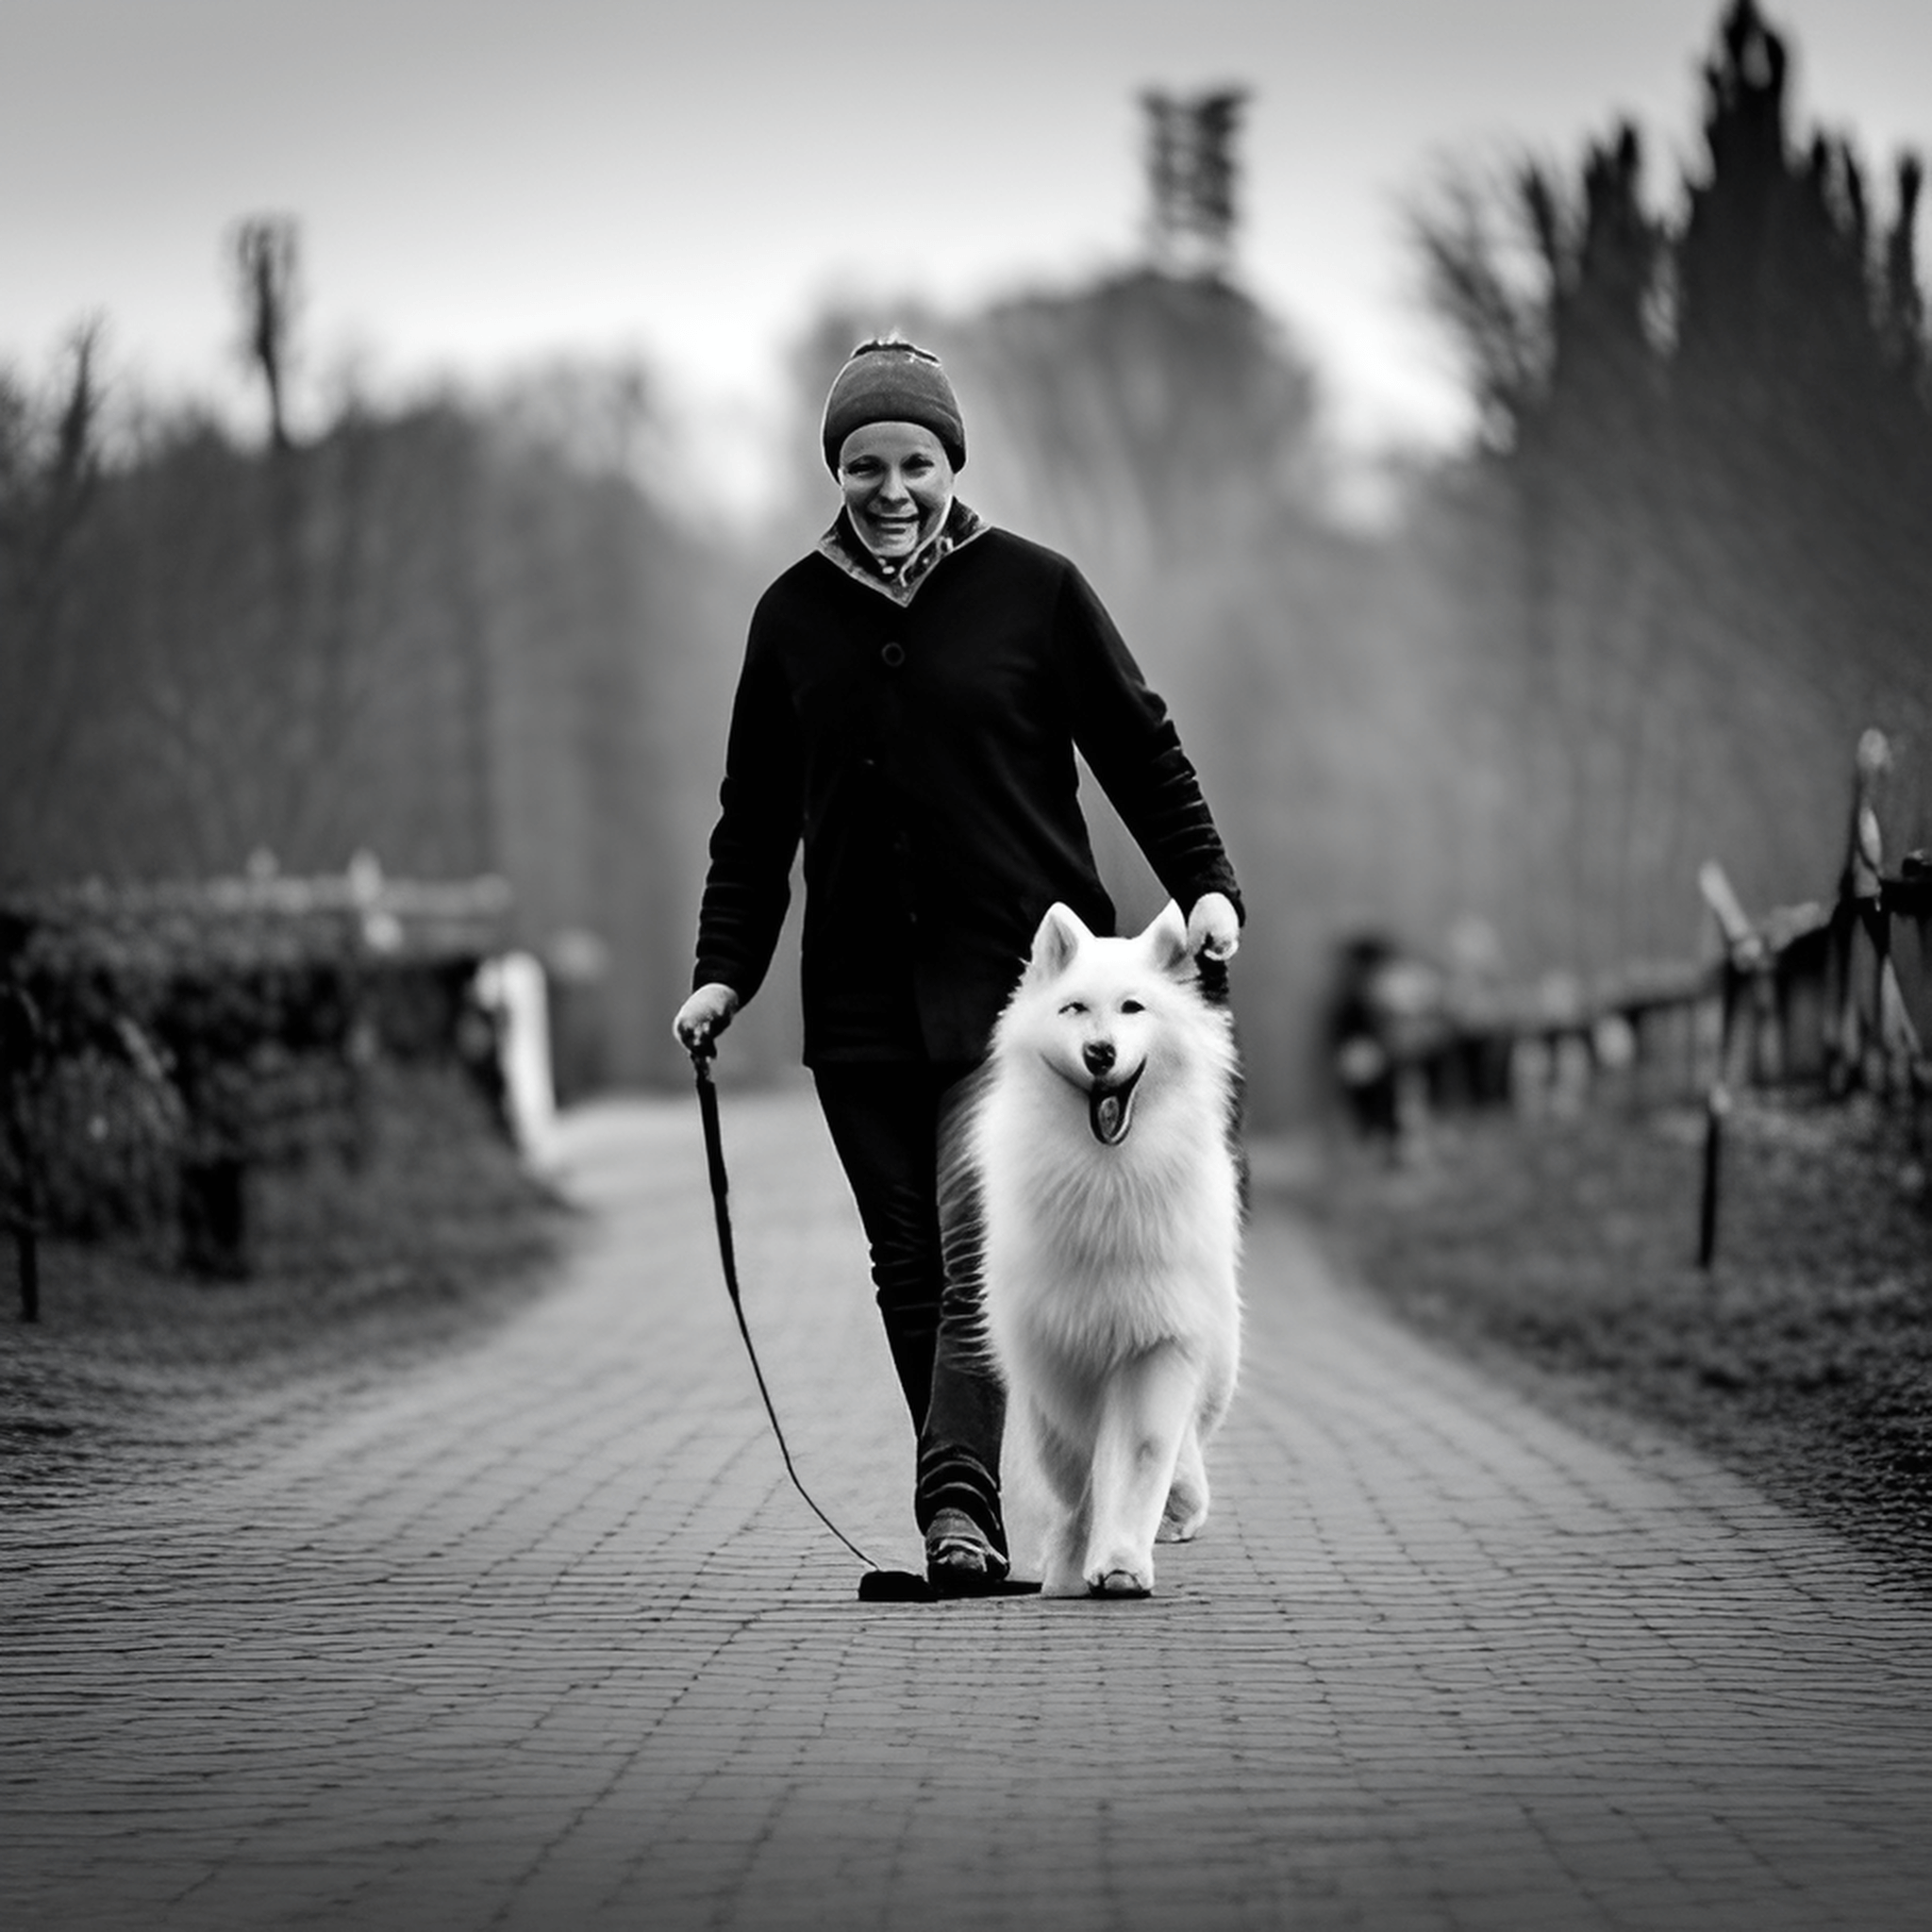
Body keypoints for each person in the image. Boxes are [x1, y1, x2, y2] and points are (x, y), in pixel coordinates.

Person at [675, 337, 1242, 1592]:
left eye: (915, 462)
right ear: (837, 469)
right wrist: (723, 972)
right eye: (866, 463)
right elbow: (753, 820)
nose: (891, 488)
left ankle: (953, 1510)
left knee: (981, 1244)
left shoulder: (1034, 591)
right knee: (909, 1266)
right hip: (860, 1007)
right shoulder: (790, 619)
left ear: (950, 464)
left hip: (1023, 1000)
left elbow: (1144, 752)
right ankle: (970, 1505)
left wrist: (1207, 891)